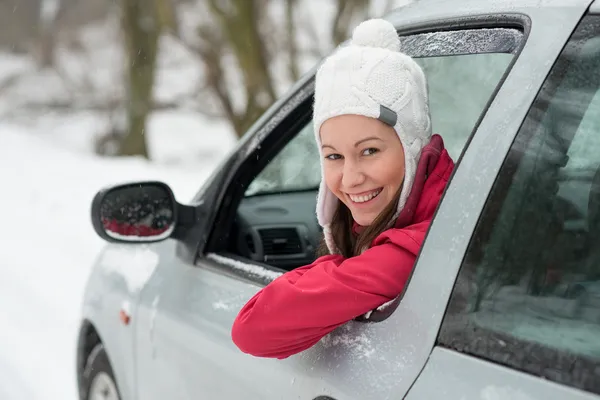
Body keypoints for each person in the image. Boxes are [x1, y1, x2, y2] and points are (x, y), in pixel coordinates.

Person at [231, 18, 455, 359]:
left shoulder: (417, 248)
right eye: (334, 156)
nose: (350, 179)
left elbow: (252, 329)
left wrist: (335, 266)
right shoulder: (447, 207)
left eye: (369, 151)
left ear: (412, 148)